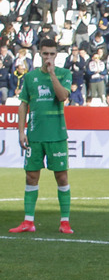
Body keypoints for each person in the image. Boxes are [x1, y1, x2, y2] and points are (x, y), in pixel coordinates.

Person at [11, 38, 73, 234]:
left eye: (52, 54)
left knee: (61, 177)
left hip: (56, 135)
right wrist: (21, 131)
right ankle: (28, 221)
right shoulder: (30, 78)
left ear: (56, 55)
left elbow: (63, 96)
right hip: (35, 135)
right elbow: (23, 105)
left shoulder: (64, 74)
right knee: (31, 176)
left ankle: (65, 221)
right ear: (39, 54)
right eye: (45, 53)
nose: (48, 57)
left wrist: (53, 74)